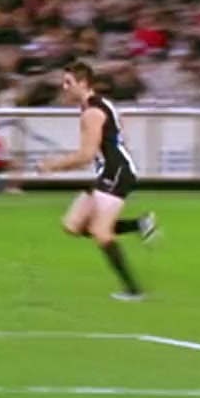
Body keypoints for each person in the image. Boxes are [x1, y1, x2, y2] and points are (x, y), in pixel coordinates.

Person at [39, 62, 158, 301]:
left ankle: (133, 290)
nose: (65, 88)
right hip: (108, 171)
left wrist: (53, 166)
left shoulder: (92, 112)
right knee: (73, 225)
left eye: (69, 83)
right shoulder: (98, 105)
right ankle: (139, 224)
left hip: (116, 172)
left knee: (101, 232)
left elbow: (86, 155)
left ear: (83, 83)